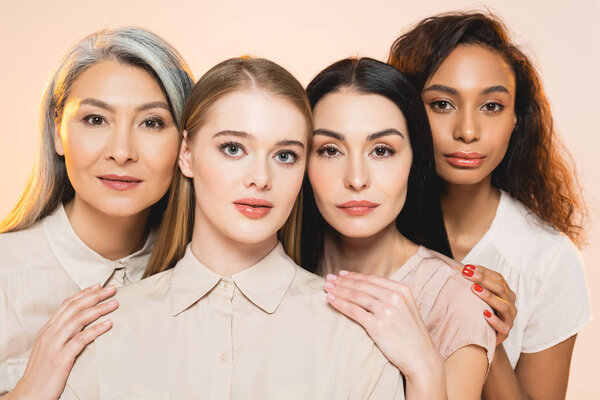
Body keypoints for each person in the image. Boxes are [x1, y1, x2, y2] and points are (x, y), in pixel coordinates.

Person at [60, 57, 404, 399]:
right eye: (233, 148)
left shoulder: (355, 333)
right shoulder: (106, 329)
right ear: (187, 154)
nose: (260, 179)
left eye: (285, 156)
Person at [388, 12, 590, 399]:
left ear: (517, 118)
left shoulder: (548, 260)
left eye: (491, 106)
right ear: (408, 110)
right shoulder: (363, 224)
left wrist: (486, 333)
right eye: (442, 104)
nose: (467, 131)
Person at [0, 27, 194, 400]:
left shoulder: (202, 277)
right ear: (57, 130)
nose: (122, 152)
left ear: (185, 144)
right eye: (95, 119)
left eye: (152, 122)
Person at [301, 57, 495, 399]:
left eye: (381, 150)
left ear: (414, 160)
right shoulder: (275, 274)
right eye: (330, 150)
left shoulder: (454, 299)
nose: (356, 179)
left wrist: (424, 368)